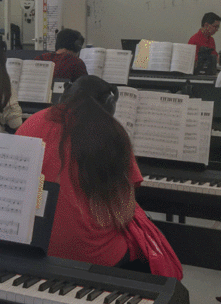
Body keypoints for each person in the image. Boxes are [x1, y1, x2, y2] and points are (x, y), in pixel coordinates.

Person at [16, 75, 146, 270]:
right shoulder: (113, 132)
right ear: (110, 104)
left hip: (32, 246)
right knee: (143, 244)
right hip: (94, 257)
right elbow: (124, 210)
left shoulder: (31, 122)